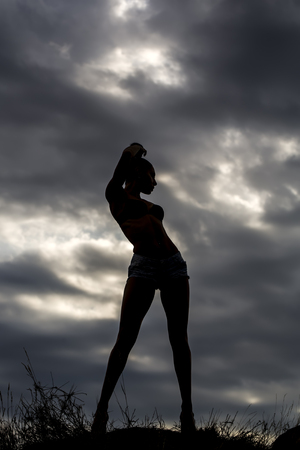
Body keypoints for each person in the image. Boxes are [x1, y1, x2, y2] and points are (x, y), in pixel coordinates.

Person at [92, 143, 196, 434]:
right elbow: (122, 166)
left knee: (179, 339)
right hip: (144, 267)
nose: (156, 182)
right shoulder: (116, 195)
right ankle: (101, 413)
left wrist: (136, 156)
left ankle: (187, 411)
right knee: (125, 339)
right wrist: (131, 151)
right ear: (139, 172)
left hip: (174, 266)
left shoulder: (139, 200)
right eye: (153, 175)